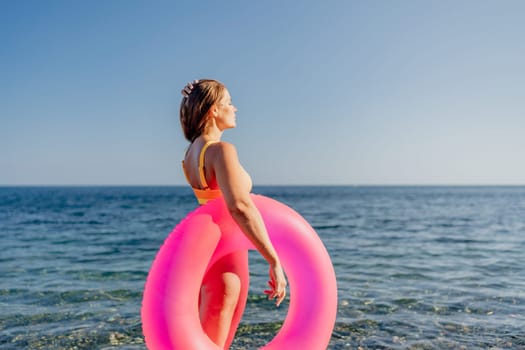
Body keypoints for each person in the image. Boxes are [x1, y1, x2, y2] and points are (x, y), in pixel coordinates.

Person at [179, 79, 287, 348]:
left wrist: (194, 97)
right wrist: (273, 259)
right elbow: (239, 206)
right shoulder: (220, 151)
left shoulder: (192, 152)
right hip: (227, 262)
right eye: (228, 103)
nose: (235, 108)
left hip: (208, 256)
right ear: (213, 110)